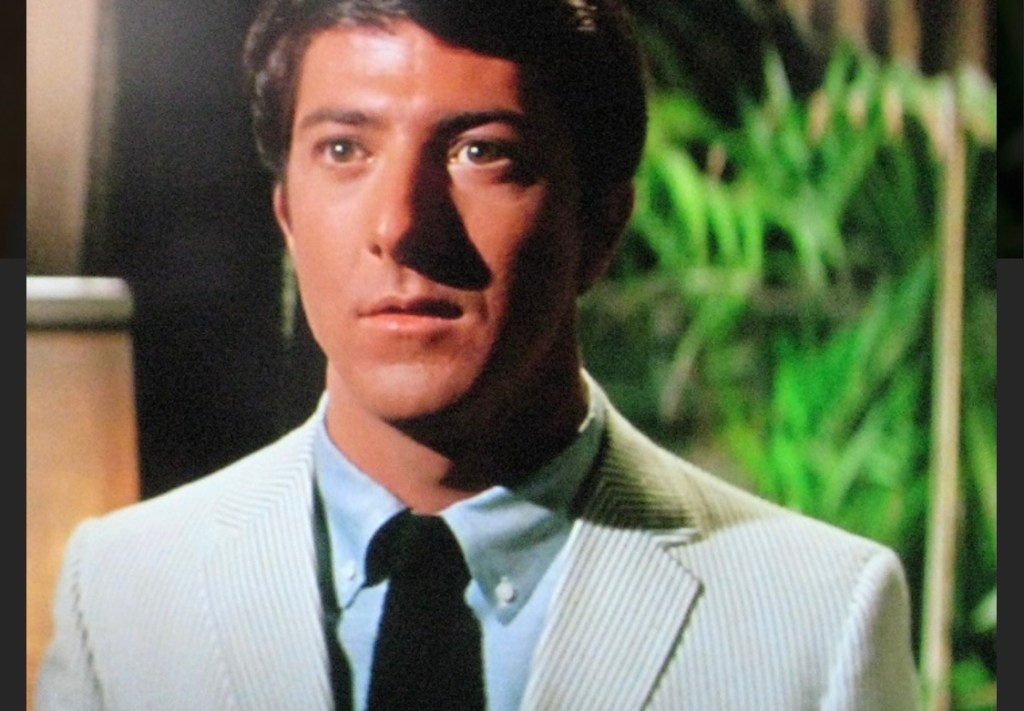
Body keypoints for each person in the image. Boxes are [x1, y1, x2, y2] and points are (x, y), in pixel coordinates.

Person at [35, 1, 920, 709]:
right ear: (288, 216)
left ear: (601, 224)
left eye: (480, 152)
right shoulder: (126, 589)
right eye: (344, 149)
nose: (400, 224)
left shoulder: (814, 616)